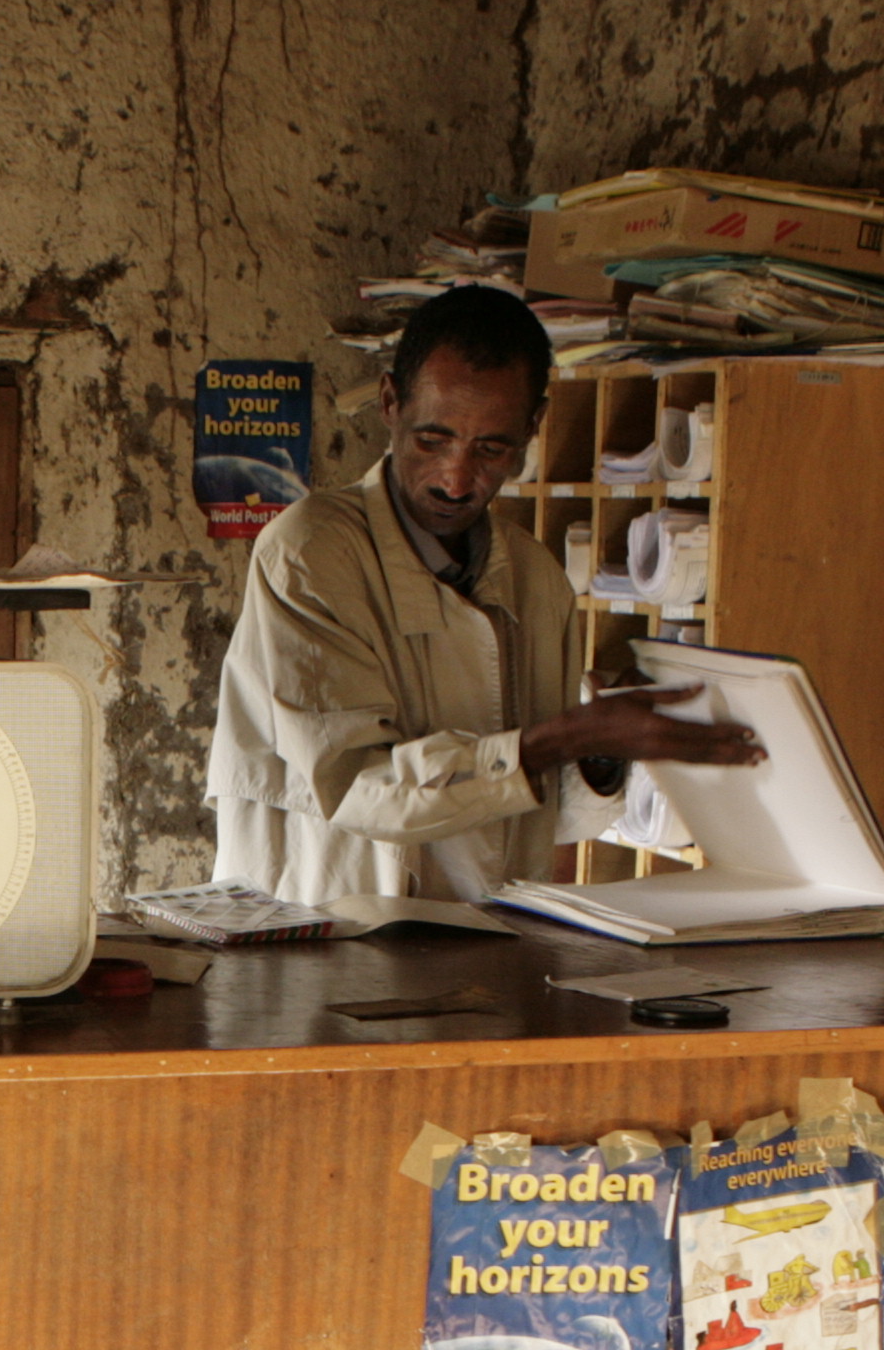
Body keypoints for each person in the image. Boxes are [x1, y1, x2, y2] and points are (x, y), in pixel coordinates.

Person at [205, 284, 763, 909]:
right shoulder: (309, 553)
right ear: (390, 403)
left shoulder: (535, 578)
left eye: (492, 449)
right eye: (432, 440)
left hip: (482, 933)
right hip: (326, 924)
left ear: (532, 427)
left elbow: (547, 817)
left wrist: (603, 747)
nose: (456, 478)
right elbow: (363, 792)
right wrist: (562, 739)